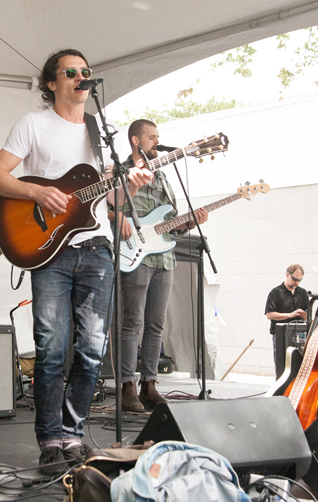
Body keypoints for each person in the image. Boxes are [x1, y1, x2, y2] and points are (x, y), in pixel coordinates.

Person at [0, 48, 151, 478]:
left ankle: (73, 433)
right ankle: (49, 439)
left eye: (85, 72)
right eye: (71, 72)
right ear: (52, 83)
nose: (81, 77)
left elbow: (106, 199)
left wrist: (128, 184)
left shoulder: (104, 132)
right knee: (52, 348)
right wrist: (37, 193)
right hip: (50, 250)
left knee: (92, 350)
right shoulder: (33, 124)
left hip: (95, 247)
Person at [112, 119, 207, 413]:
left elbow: (172, 221)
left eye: (158, 137)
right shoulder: (120, 174)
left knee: (156, 325)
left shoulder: (164, 177)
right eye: (152, 137)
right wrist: (121, 221)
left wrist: (189, 222)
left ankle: (149, 386)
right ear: (136, 141)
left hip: (164, 258)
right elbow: (110, 210)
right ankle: (127, 386)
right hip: (135, 255)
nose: (157, 141)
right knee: (133, 322)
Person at [265, 264, 309, 375]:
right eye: (294, 279)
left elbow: (310, 314)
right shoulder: (276, 292)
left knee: (300, 364)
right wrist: (290, 315)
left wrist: (305, 316)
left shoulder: (303, 293)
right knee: (282, 364)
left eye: (299, 280)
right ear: (287, 275)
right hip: (281, 333)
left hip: (300, 333)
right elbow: (269, 314)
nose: (297, 283)